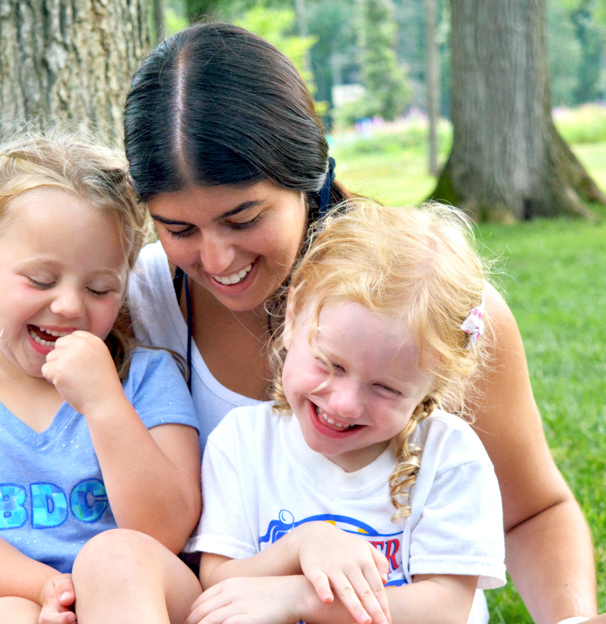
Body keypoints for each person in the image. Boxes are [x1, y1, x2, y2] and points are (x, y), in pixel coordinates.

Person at [0, 23, 606, 624]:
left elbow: (532, 511)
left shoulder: (427, 314)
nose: (216, 258)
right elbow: (38, 442)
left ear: (308, 174)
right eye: (177, 227)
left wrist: (570, 621)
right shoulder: (135, 298)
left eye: (243, 218)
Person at [0, 130, 201, 624]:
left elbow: (166, 530)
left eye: (99, 287)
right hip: (24, 596)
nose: (68, 305)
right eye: (40, 280)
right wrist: (49, 591)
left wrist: (105, 403)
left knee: (113, 559)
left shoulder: (147, 379)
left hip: (141, 592)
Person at [187, 200, 505, 624]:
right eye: (330, 364)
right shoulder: (243, 443)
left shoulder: (448, 456)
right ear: (293, 313)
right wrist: (302, 544)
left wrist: (303, 597)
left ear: (435, 386)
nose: (343, 403)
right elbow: (218, 580)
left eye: (386, 388)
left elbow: (444, 609)